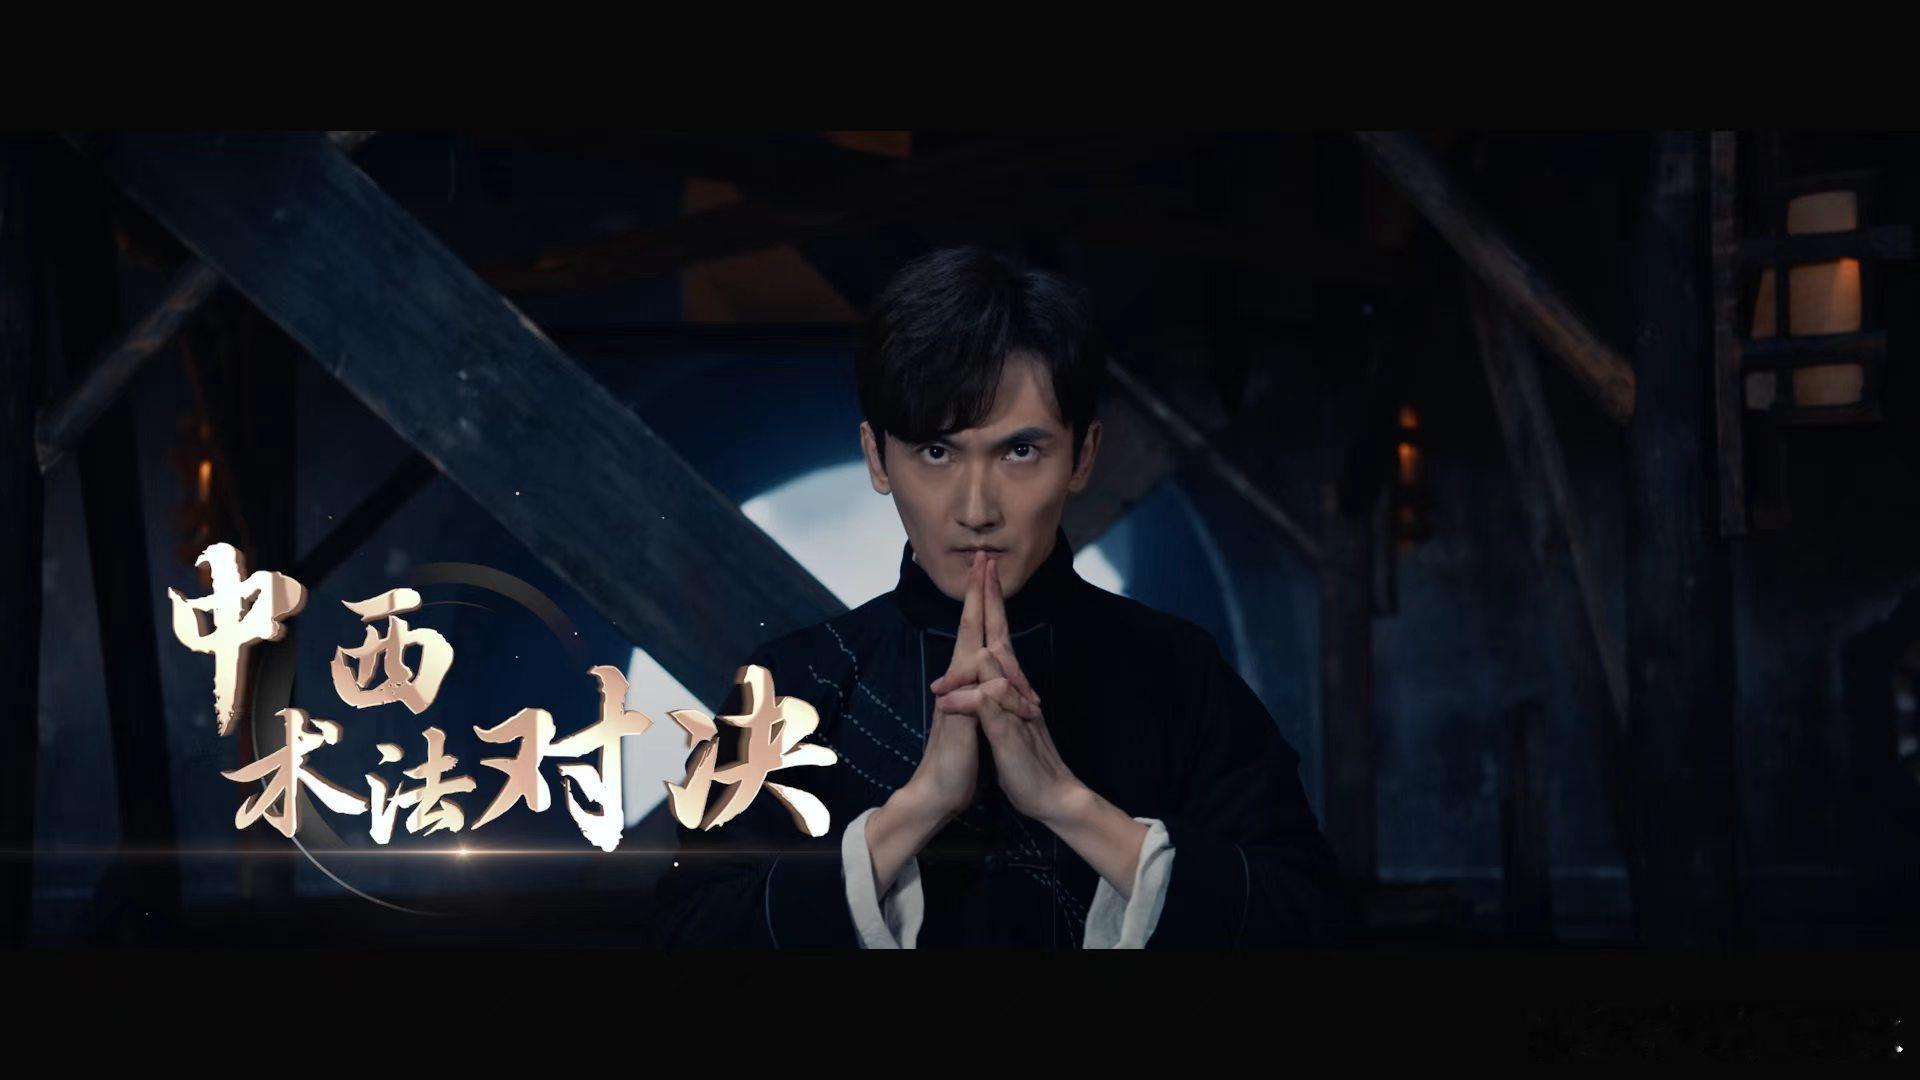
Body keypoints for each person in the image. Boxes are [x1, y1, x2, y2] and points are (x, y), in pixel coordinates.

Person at [653, 246, 1345, 948]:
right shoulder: (790, 686)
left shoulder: (1180, 673)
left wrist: (1068, 805)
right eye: (936, 452)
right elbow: (686, 935)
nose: (977, 509)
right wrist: (917, 809)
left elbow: (1312, 926)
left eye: (1020, 452)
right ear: (876, 458)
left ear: (1083, 456)